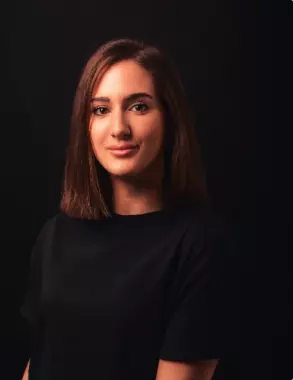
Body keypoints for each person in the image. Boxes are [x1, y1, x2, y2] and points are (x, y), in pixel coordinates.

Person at [20, 38, 239, 380]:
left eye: (138, 106)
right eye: (101, 109)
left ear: (169, 118)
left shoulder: (199, 245)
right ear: (86, 125)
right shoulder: (55, 236)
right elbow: (38, 364)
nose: (119, 128)